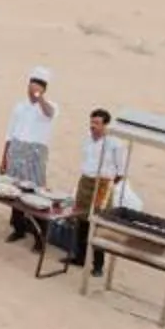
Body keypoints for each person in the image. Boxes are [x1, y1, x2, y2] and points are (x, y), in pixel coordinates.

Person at [61, 108, 131, 274]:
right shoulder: (87, 139)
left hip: (103, 183)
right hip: (86, 181)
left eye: (97, 123)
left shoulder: (115, 144)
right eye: (92, 122)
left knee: (99, 224)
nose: (93, 126)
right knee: (82, 219)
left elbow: (121, 171)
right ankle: (79, 256)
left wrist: (106, 185)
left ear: (105, 125)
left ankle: (98, 264)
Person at [0, 66, 57, 243]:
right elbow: (10, 133)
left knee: (36, 194)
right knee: (14, 190)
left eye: (36, 89)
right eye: (30, 88)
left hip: (35, 154)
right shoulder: (19, 106)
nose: (32, 93)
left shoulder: (49, 107)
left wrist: (40, 98)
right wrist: (4, 157)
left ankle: (40, 236)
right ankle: (18, 227)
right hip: (16, 151)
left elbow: (50, 113)